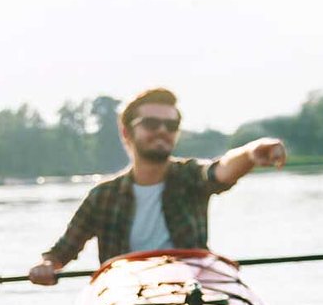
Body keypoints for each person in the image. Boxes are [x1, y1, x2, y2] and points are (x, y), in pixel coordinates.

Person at [28, 87, 287, 285]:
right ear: (127, 133)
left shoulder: (190, 177)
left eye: (171, 125)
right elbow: (61, 253)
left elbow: (221, 170)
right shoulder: (102, 196)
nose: (162, 130)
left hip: (192, 289)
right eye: (151, 124)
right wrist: (46, 266)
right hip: (125, 294)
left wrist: (252, 153)